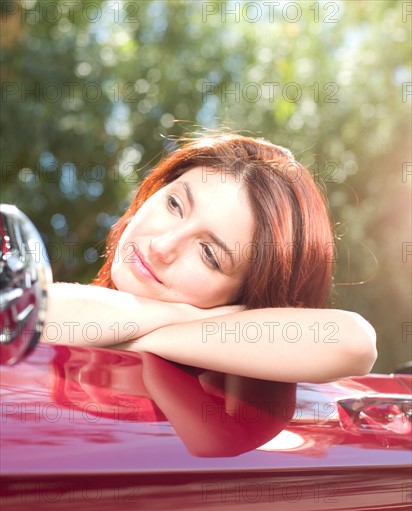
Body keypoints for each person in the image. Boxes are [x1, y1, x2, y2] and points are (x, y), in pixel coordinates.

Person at [42, 133, 377, 382]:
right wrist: (182, 314)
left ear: (250, 302)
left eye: (209, 254)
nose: (163, 246)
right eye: (175, 205)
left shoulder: (220, 392)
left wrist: (135, 340)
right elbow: (28, 313)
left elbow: (353, 341)